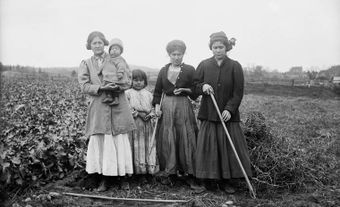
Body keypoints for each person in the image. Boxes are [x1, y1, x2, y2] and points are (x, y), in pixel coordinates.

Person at [193, 31, 252, 193]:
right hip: (209, 114)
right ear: (211, 48)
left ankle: (228, 181)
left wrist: (230, 109)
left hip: (227, 117)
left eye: (221, 47)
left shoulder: (235, 66)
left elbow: (238, 92)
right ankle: (209, 180)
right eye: (215, 47)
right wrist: (202, 86)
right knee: (208, 147)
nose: (218, 50)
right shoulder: (204, 65)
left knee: (229, 147)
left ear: (226, 48)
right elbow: (194, 86)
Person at [78, 31, 136, 191]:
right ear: (89, 46)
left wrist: (117, 86)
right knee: (102, 139)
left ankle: (122, 176)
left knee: (119, 138)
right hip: (99, 106)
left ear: (104, 44)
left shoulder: (116, 59)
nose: (97, 45)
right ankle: (103, 177)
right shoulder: (86, 63)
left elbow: (128, 80)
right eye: (93, 43)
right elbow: (84, 86)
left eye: (99, 42)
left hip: (118, 105)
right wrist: (102, 87)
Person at [152, 40, 201, 189]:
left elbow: (196, 90)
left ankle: (189, 173)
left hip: (183, 106)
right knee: (169, 138)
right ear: (169, 55)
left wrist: (186, 90)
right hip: (167, 107)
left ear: (183, 54)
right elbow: (158, 91)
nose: (176, 57)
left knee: (185, 136)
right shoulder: (163, 70)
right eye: (173, 54)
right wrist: (157, 107)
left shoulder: (190, 70)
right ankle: (171, 173)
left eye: (179, 54)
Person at [125, 69, 159, 181]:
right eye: (135, 80)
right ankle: (135, 172)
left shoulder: (149, 94)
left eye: (141, 80)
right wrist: (138, 114)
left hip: (147, 125)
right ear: (131, 81)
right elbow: (126, 108)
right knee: (135, 146)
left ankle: (146, 172)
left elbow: (153, 107)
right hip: (134, 124)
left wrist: (150, 114)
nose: (138, 83)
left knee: (146, 146)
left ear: (145, 81)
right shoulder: (127, 93)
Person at [102, 38, 131, 106]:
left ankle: (116, 99)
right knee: (107, 86)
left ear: (120, 52)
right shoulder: (108, 58)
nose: (114, 50)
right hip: (110, 77)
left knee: (115, 88)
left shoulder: (119, 59)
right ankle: (109, 97)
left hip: (117, 78)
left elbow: (121, 66)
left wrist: (120, 73)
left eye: (117, 49)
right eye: (112, 49)